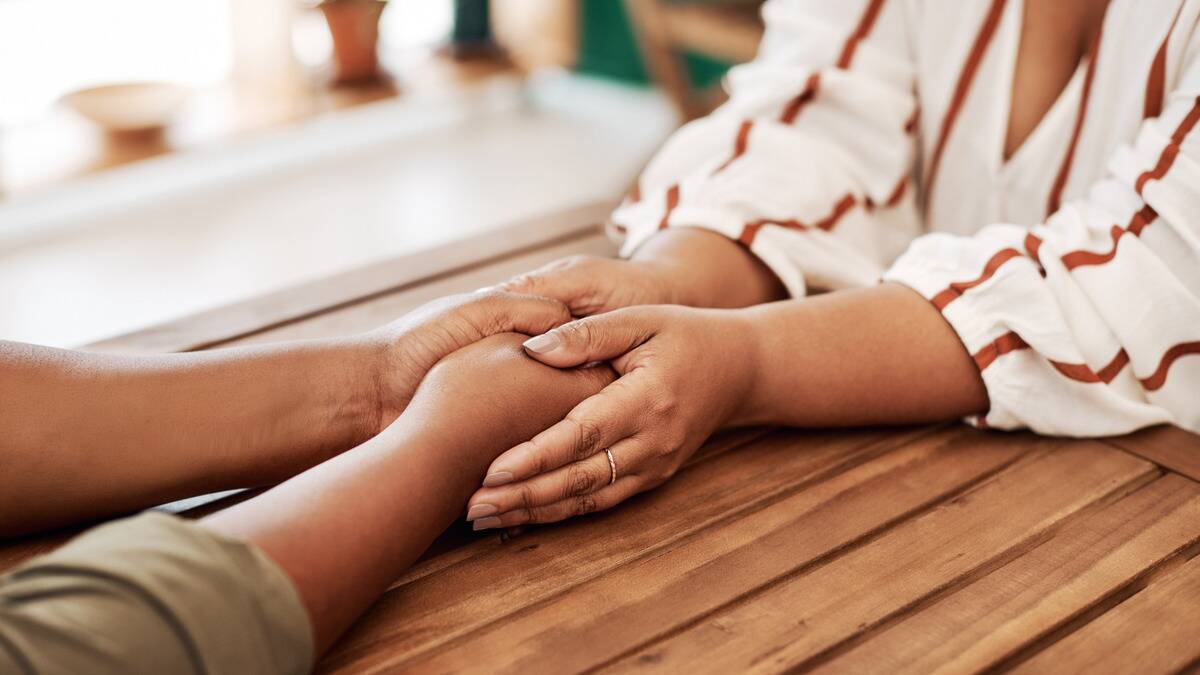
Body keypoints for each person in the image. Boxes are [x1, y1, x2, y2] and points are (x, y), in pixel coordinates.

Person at [461, 0, 1200, 529]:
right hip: (932, 470)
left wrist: (744, 361)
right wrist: (671, 278)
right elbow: (818, 113)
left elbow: (1150, 274)